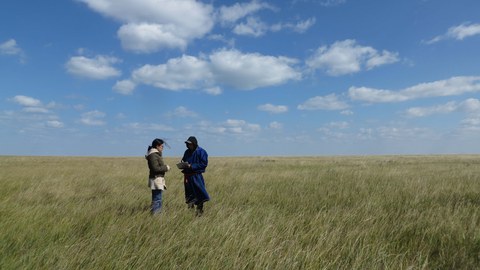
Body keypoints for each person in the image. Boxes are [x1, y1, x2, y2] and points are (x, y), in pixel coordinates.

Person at [181, 136, 210, 216]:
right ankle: (190, 213)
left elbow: (203, 164)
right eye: (187, 144)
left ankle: (199, 213)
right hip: (187, 177)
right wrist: (183, 164)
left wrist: (192, 166)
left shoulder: (202, 152)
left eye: (190, 144)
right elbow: (183, 160)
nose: (188, 145)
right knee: (189, 195)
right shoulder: (187, 152)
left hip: (196, 177)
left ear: (194, 144)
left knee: (199, 194)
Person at [146, 138, 170, 215]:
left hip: (157, 179)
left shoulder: (154, 154)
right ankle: (156, 215)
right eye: (161, 146)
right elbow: (155, 168)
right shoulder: (153, 155)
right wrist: (166, 168)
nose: (162, 147)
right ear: (157, 146)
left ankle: (157, 214)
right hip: (156, 179)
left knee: (157, 198)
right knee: (157, 199)